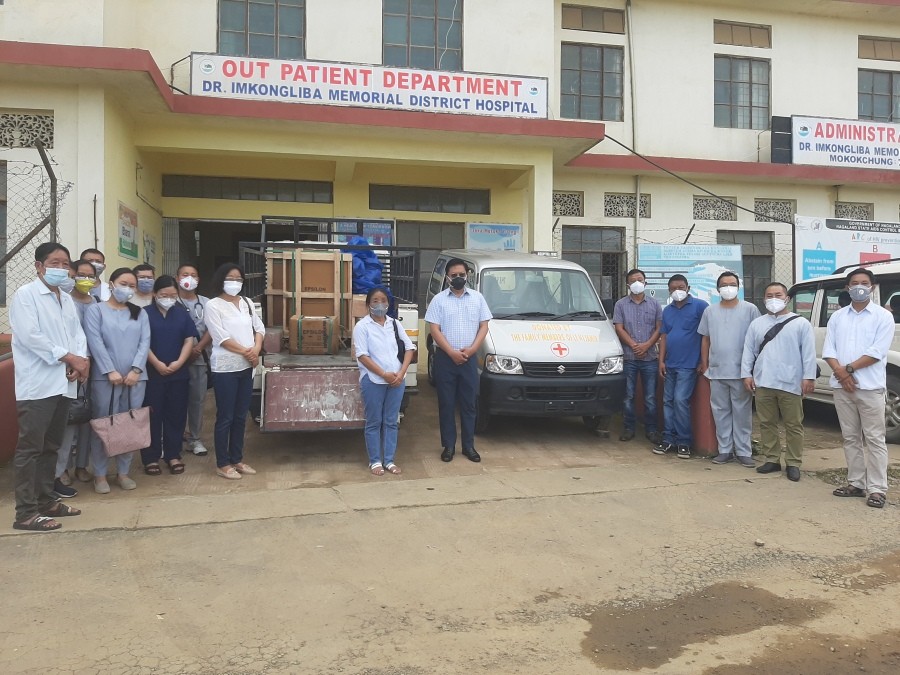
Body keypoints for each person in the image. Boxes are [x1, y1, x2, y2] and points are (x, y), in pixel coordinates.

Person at [10, 242, 89, 531]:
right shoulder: (26, 295)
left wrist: (82, 360)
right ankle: (25, 512)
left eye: (65, 264)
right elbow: (31, 336)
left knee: (51, 446)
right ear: (39, 266)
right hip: (37, 385)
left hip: (63, 383)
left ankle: (46, 500)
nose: (61, 268)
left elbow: (76, 333)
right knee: (30, 448)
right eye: (54, 263)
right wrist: (69, 357)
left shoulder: (65, 298)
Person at [823, 268, 894, 508]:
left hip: (870, 388)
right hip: (843, 388)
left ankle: (877, 489)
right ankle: (856, 483)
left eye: (864, 283)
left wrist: (847, 370)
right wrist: (842, 375)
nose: (859, 286)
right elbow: (829, 351)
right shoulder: (838, 317)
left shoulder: (883, 317)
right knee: (850, 437)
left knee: (874, 438)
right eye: (854, 283)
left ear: (872, 287)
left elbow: (877, 352)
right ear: (847, 288)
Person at [741, 282, 817, 482]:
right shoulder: (757, 324)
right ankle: (772, 459)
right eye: (769, 295)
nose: (773, 298)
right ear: (764, 299)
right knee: (767, 423)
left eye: (778, 294)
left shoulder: (801, 323)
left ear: (787, 298)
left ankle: (793, 462)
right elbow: (749, 351)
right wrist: (746, 374)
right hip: (764, 380)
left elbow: (808, 353)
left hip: (790, 382)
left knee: (793, 424)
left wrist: (808, 377)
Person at [84, 268, 151, 494]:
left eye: (132, 286)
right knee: (103, 424)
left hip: (135, 379)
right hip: (105, 379)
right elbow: (95, 342)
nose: (128, 289)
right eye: (124, 283)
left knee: (129, 424)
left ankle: (123, 472)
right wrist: (109, 370)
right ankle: (100, 474)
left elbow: (145, 342)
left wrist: (135, 370)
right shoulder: (96, 311)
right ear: (111, 284)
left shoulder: (139, 313)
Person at [425, 259, 491, 462]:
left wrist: (472, 350)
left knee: (469, 404)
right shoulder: (439, 300)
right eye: (454, 275)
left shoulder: (478, 299)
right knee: (446, 403)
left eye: (462, 274)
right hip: (446, 359)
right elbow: (434, 329)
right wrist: (451, 352)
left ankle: (469, 446)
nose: (458, 278)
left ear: (467, 275)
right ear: (447, 278)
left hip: (469, 359)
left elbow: (484, 326)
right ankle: (449, 446)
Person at [204, 263, 265, 480]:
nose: (235, 283)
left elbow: (259, 328)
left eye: (239, 279)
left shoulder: (247, 302)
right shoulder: (213, 305)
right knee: (225, 416)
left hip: (247, 367)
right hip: (226, 368)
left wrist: (256, 349)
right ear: (221, 280)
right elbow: (220, 337)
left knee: (241, 416)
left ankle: (237, 458)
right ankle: (222, 463)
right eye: (230, 278)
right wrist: (247, 352)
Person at [698, 272, 760, 467]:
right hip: (717, 371)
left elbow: (757, 339)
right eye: (724, 284)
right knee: (720, 411)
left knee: (742, 413)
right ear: (718, 289)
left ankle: (743, 451)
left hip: (741, 372)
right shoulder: (710, 311)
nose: (728, 288)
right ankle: (725, 450)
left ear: (738, 287)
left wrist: (752, 370)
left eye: (732, 284)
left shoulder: (750, 309)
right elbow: (705, 338)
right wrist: (705, 364)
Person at [353, 287, 416, 475]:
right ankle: (375, 461)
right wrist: (383, 374)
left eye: (383, 300)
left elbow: (409, 348)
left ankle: (389, 460)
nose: (380, 304)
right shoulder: (362, 327)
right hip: (373, 381)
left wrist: (401, 372)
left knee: (391, 421)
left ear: (388, 304)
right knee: (374, 421)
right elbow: (362, 355)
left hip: (397, 381)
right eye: (375, 301)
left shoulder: (395, 324)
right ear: (368, 305)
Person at [141, 275, 199, 476]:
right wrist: (156, 363)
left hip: (178, 374)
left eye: (173, 295)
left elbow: (188, 340)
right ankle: (150, 457)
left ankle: (173, 454)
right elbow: (141, 343)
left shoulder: (181, 313)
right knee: (152, 416)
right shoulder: (144, 314)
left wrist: (179, 363)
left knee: (176, 415)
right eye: (164, 295)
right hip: (152, 373)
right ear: (155, 294)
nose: (169, 298)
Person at [54, 259, 100, 496]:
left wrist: (88, 363)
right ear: (71, 275)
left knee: (87, 419)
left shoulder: (97, 302)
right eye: (80, 274)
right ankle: (61, 470)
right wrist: (76, 363)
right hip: (69, 368)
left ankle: (82, 465)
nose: (85, 279)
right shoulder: (62, 301)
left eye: (90, 275)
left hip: (93, 369)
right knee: (68, 422)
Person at [654, 274, 708, 459]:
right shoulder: (667, 311)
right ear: (669, 290)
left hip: (688, 365)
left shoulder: (700, 307)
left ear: (688, 288)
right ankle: (668, 439)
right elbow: (664, 336)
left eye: (681, 287)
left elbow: (706, 336)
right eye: (674, 288)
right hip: (670, 364)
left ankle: (684, 441)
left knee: (679, 401)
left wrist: (703, 361)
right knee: (667, 402)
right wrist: (661, 361)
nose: (678, 291)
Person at [613, 268, 662, 443]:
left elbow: (659, 328)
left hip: (650, 358)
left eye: (640, 279)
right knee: (628, 396)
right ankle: (628, 428)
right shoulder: (620, 304)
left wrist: (647, 345)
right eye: (633, 280)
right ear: (628, 285)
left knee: (650, 397)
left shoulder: (655, 304)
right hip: (629, 357)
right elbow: (618, 328)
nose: (637, 283)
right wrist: (634, 346)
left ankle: (651, 430)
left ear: (645, 282)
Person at [176, 263, 212, 456]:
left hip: (198, 357)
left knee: (197, 400)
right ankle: (174, 437)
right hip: (175, 360)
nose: (189, 278)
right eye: (185, 274)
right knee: (175, 400)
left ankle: (195, 438)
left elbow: (212, 329)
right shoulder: (170, 300)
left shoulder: (207, 303)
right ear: (177, 278)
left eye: (193, 275)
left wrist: (198, 348)